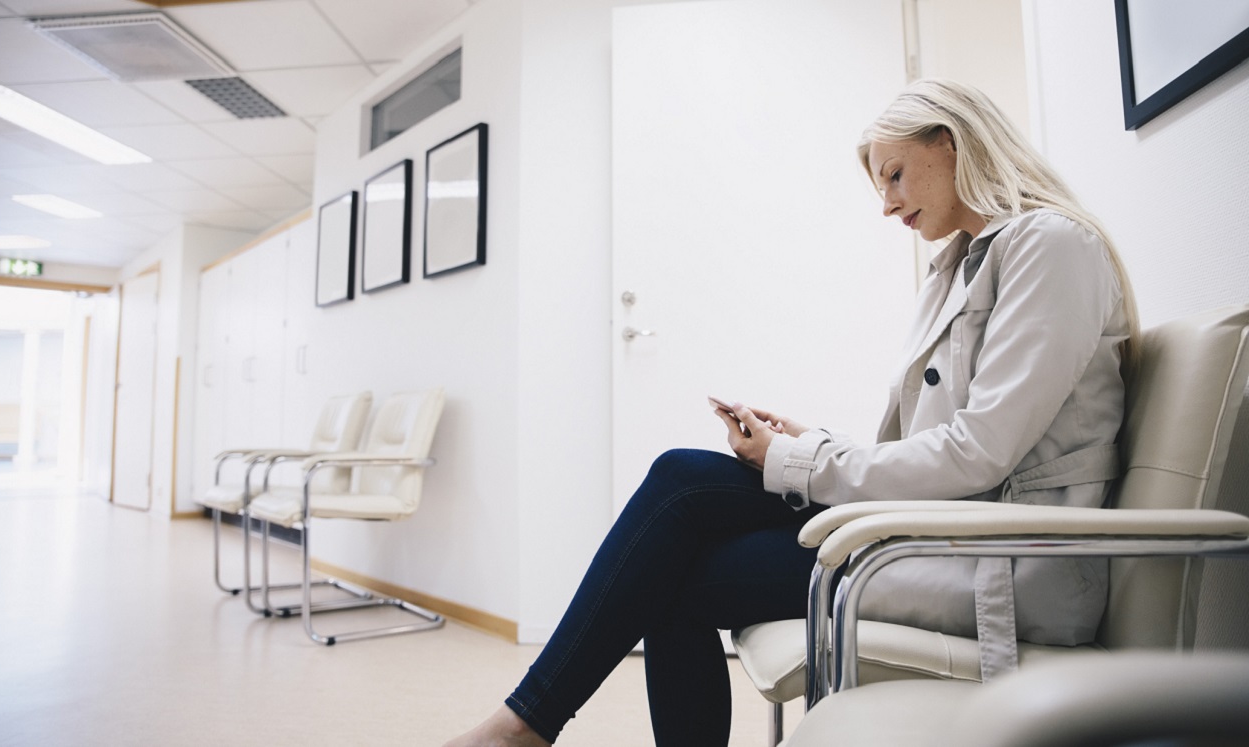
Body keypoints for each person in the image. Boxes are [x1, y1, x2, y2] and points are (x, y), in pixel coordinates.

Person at [445, 78, 1139, 746]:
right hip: (947, 529)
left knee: (671, 574)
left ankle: (522, 725)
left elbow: (977, 453)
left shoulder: (1050, 245)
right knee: (681, 476)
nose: (888, 206)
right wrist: (810, 443)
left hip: (1004, 558)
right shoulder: (964, 263)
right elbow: (949, 447)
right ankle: (523, 724)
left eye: (895, 175)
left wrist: (793, 461)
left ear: (952, 143)